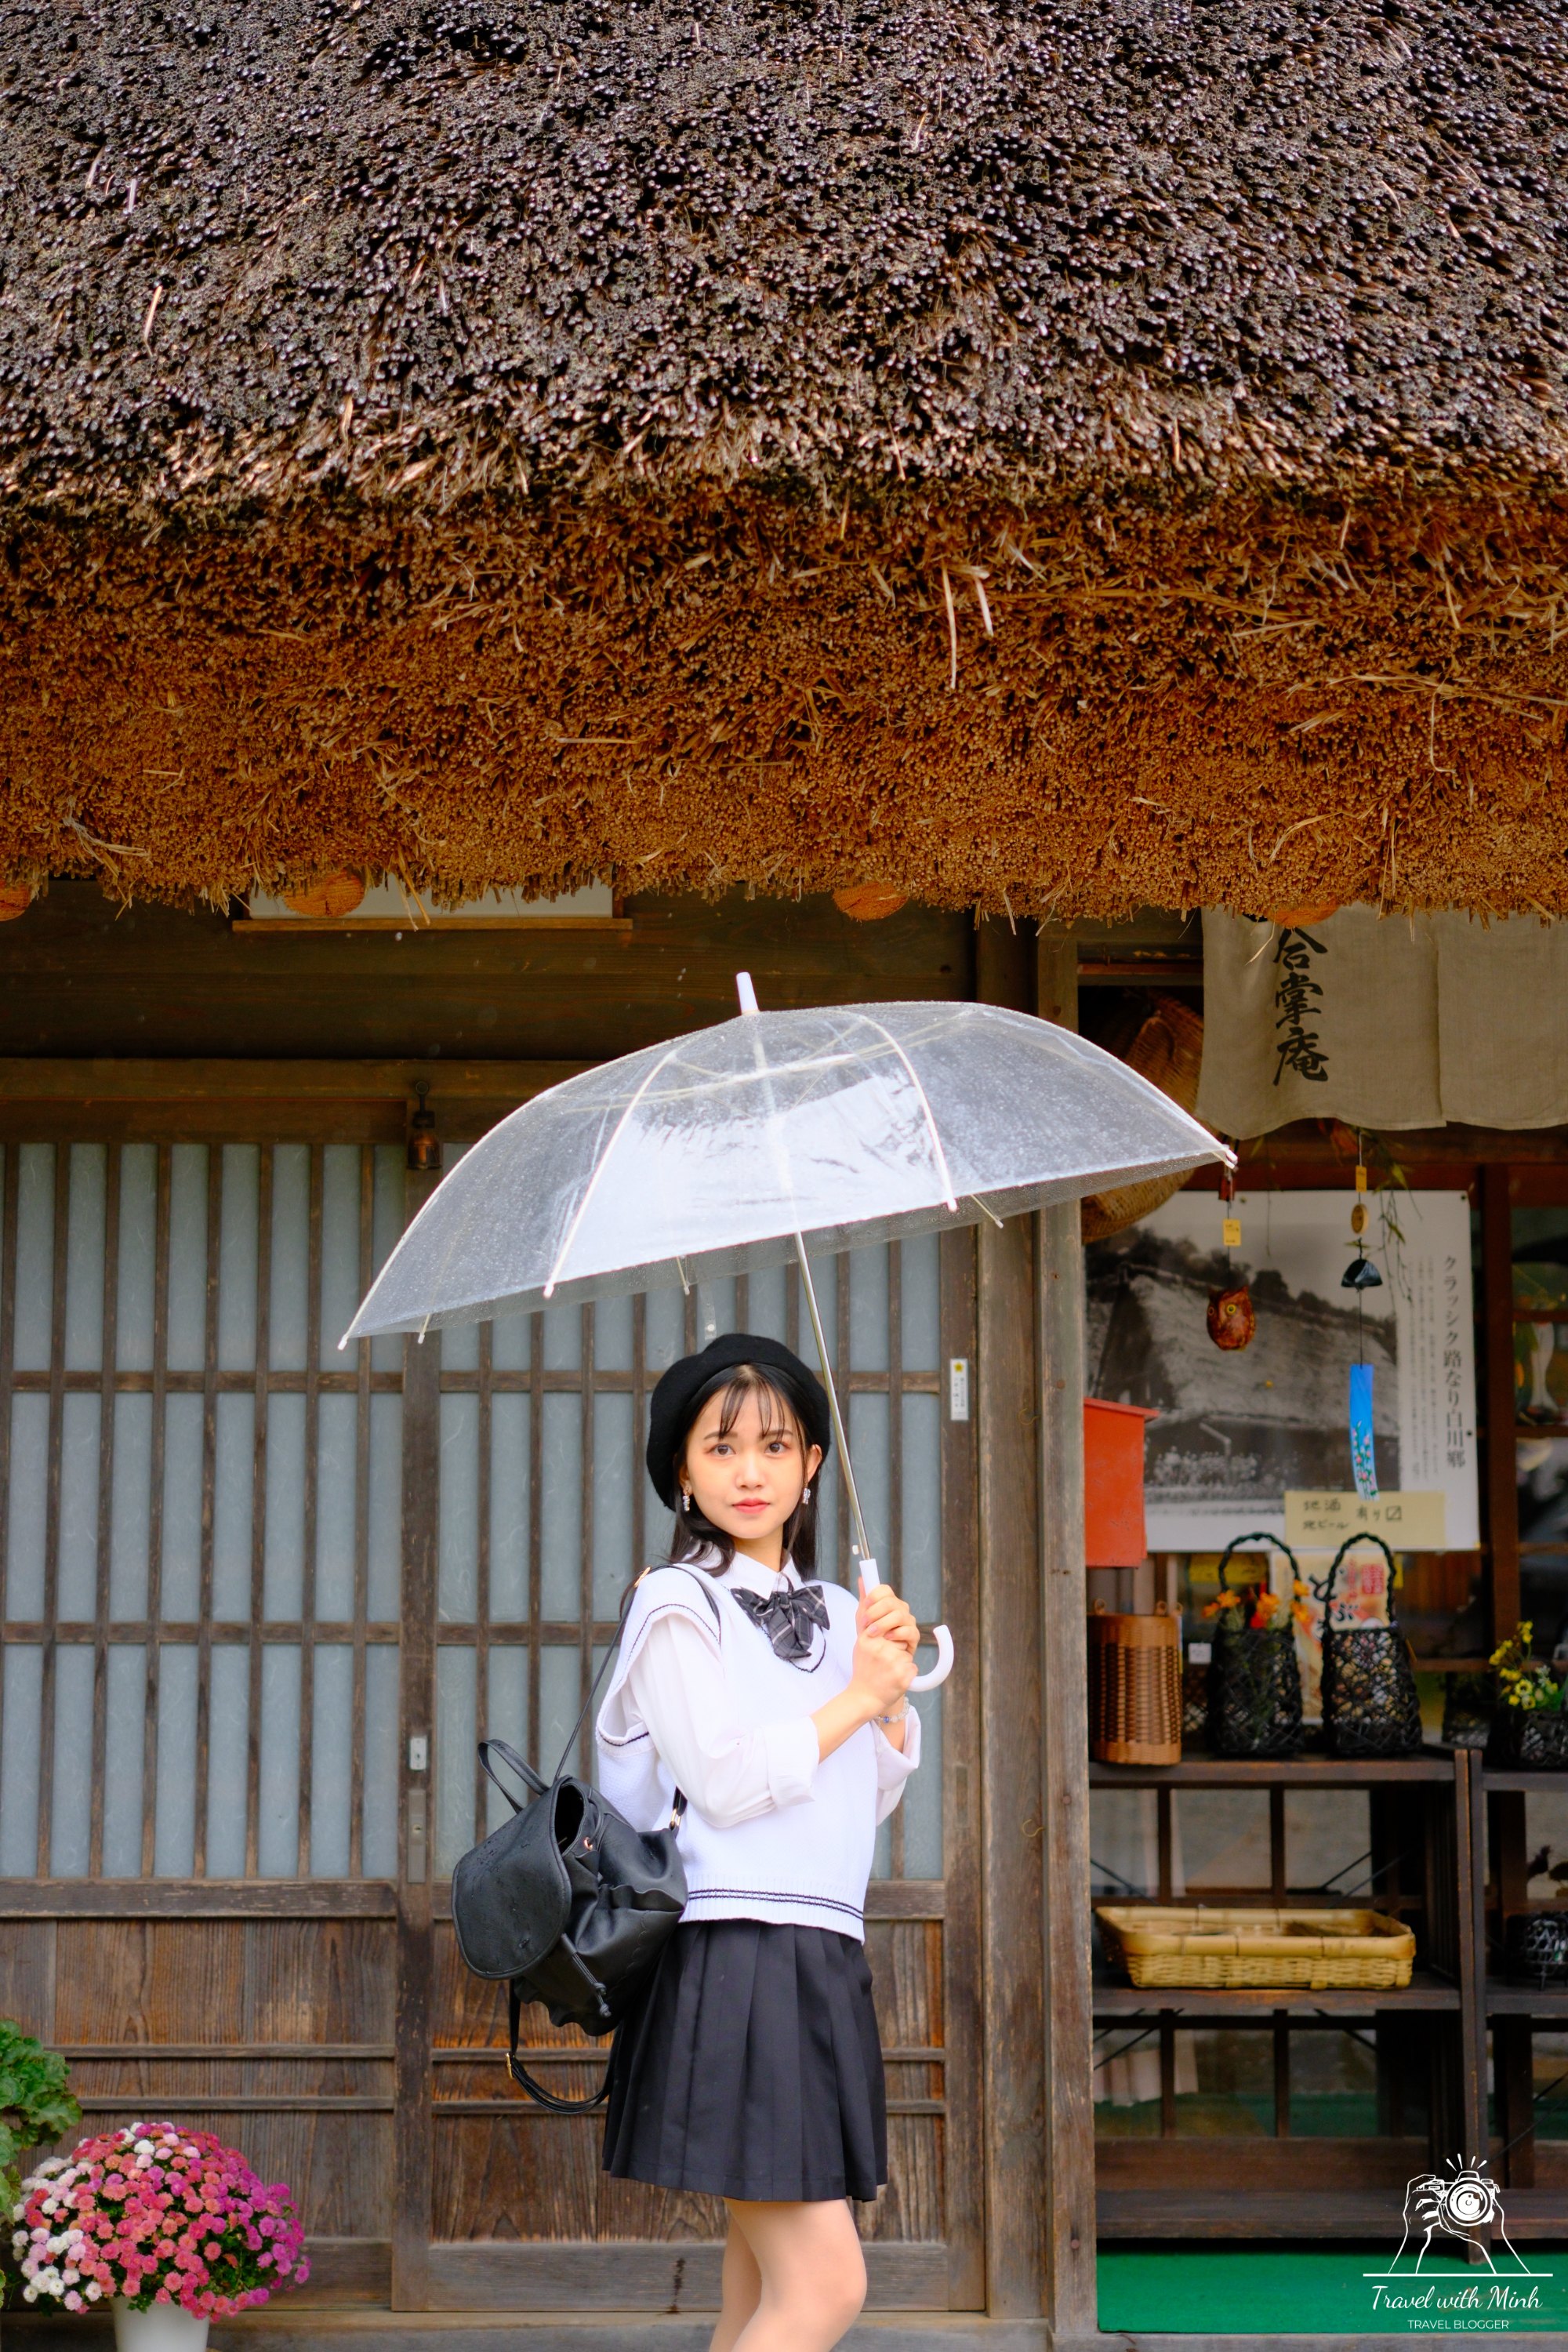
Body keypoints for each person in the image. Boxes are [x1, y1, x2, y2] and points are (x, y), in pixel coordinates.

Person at [596, 1331, 921, 2352]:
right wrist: (856, 1700)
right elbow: (731, 1785)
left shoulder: (837, 1611)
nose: (750, 1471)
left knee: (754, 2291)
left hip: (820, 1950)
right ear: (682, 1473)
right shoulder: (674, 1606)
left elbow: (851, 1806)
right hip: (732, 1950)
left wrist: (890, 1703)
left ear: (813, 1465)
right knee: (825, 2288)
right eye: (721, 1447)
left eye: (776, 1446)